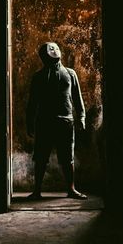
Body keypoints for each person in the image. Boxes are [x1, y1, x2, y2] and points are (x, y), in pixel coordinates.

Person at [26, 42, 87, 200]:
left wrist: (81, 117)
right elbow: (32, 103)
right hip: (44, 123)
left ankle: (71, 189)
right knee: (40, 158)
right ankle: (37, 191)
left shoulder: (70, 73)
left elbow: (77, 98)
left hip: (65, 122)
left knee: (68, 158)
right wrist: (29, 123)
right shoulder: (38, 77)